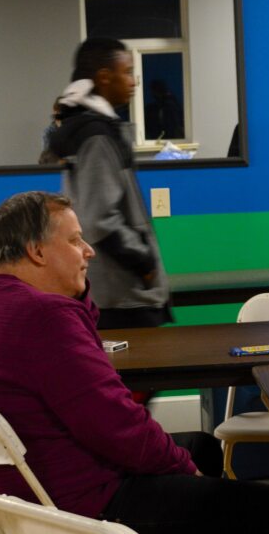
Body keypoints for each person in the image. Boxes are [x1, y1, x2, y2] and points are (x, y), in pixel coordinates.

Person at [0, 191, 269, 534]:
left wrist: (77, 293)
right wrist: (183, 469)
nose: (88, 251)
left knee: (202, 446)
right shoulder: (43, 315)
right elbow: (115, 424)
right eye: (74, 240)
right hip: (76, 504)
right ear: (37, 251)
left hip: (13, 494)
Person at [47, 38, 172, 330]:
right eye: (127, 72)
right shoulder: (96, 136)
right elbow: (99, 218)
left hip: (119, 293)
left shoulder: (94, 128)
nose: (133, 82)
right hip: (121, 295)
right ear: (104, 76)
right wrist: (144, 262)